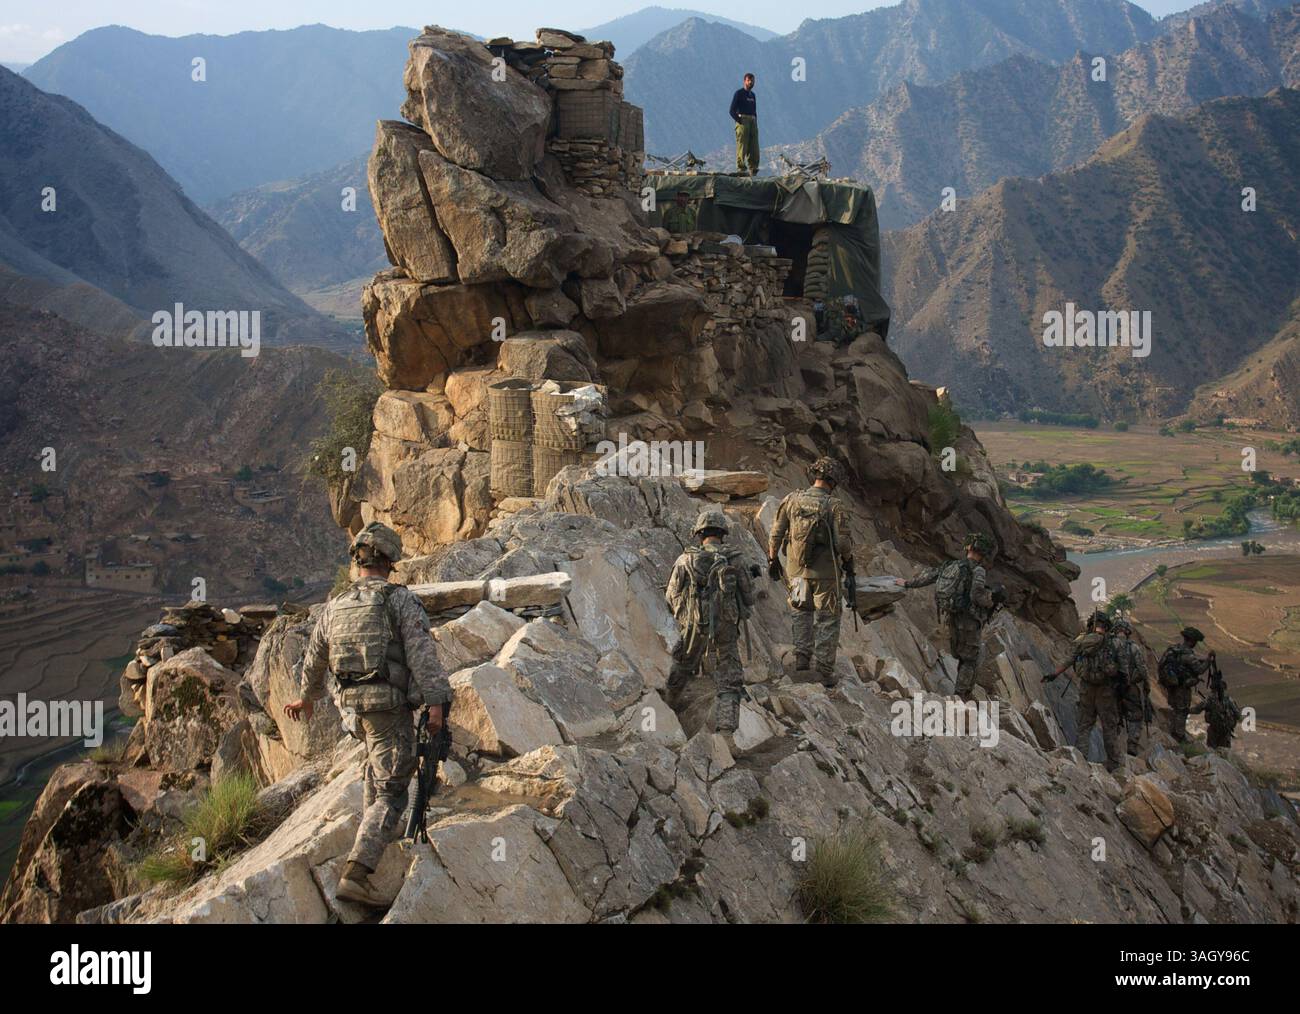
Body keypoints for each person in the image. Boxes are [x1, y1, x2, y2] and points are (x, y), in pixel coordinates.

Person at [284, 522, 450, 907]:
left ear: (357, 561)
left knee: (377, 770)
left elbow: (313, 660)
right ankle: (357, 874)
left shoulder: (335, 606)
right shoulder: (398, 600)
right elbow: (421, 656)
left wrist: (306, 699)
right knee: (393, 791)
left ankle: (374, 839)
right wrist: (437, 702)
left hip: (352, 711)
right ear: (390, 561)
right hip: (387, 708)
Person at [665, 508, 756, 733]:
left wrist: (686, 617)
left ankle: (668, 705)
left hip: (693, 625)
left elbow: (670, 596)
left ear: (699, 533)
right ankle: (725, 734)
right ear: (722, 533)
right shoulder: (735, 558)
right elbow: (749, 597)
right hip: (725, 625)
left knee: (682, 663)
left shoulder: (685, 559)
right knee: (729, 679)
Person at [768, 458, 854, 687]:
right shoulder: (834, 506)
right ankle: (824, 671)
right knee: (827, 619)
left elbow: (776, 532)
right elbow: (843, 542)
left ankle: (802, 660)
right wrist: (849, 562)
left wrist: (772, 558)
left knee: (800, 613)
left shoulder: (792, 499)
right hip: (826, 574)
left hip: (796, 572)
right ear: (833, 481)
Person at [898, 533, 997, 700]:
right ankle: (960, 696)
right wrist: (992, 599)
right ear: (984, 553)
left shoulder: (952, 565)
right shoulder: (978, 570)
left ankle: (960, 692)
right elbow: (977, 596)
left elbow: (930, 577)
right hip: (969, 621)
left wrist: (907, 583)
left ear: (968, 548)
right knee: (970, 659)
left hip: (952, 617)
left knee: (960, 654)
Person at [1045, 611, 1125, 773]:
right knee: (1109, 727)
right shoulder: (1114, 643)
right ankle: (1115, 766)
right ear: (1107, 627)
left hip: (1086, 688)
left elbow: (1070, 659)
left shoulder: (1083, 640)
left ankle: (1080, 761)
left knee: (1084, 727)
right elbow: (1123, 669)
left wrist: (1054, 674)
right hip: (1106, 691)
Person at [1157, 626, 1212, 742]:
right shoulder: (1188, 655)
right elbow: (1199, 670)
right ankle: (1179, 736)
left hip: (1172, 686)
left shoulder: (1176, 649)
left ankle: (1173, 732)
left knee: (1175, 709)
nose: (1195, 644)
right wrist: (1208, 661)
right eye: (1195, 642)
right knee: (1182, 711)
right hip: (1182, 688)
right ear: (1191, 641)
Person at [1111, 616, 1150, 757]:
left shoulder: (1109, 645)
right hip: (1130, 686)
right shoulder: (1133, 647)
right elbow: (1142, 668)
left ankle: (1112, 745)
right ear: (1128, 632)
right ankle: (1132, 744)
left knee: (1114, 715)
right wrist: (1147, 684)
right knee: (1136, 716)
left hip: (1112, 687)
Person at [1190, 664, 1242, 750]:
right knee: (1224, 754)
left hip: (1213, 731)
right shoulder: (1229, 700)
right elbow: (1238, 715)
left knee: (1212, 752)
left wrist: (1184, 710)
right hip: (1226, 732)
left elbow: (1196, 710)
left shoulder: (1209, 699)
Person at [729, 72, 759, 176]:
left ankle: (753, 168)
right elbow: (731, 110)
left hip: (752, 121)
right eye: (749, 80)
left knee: (754, 146)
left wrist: (755, 120)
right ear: (744, 81)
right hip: (743, 120)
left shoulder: (753, 95)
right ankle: (741, 169)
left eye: (752, 80)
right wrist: (739, 121)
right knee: (742, 145)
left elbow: (754, 110)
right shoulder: (739, 93)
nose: (751, 82)